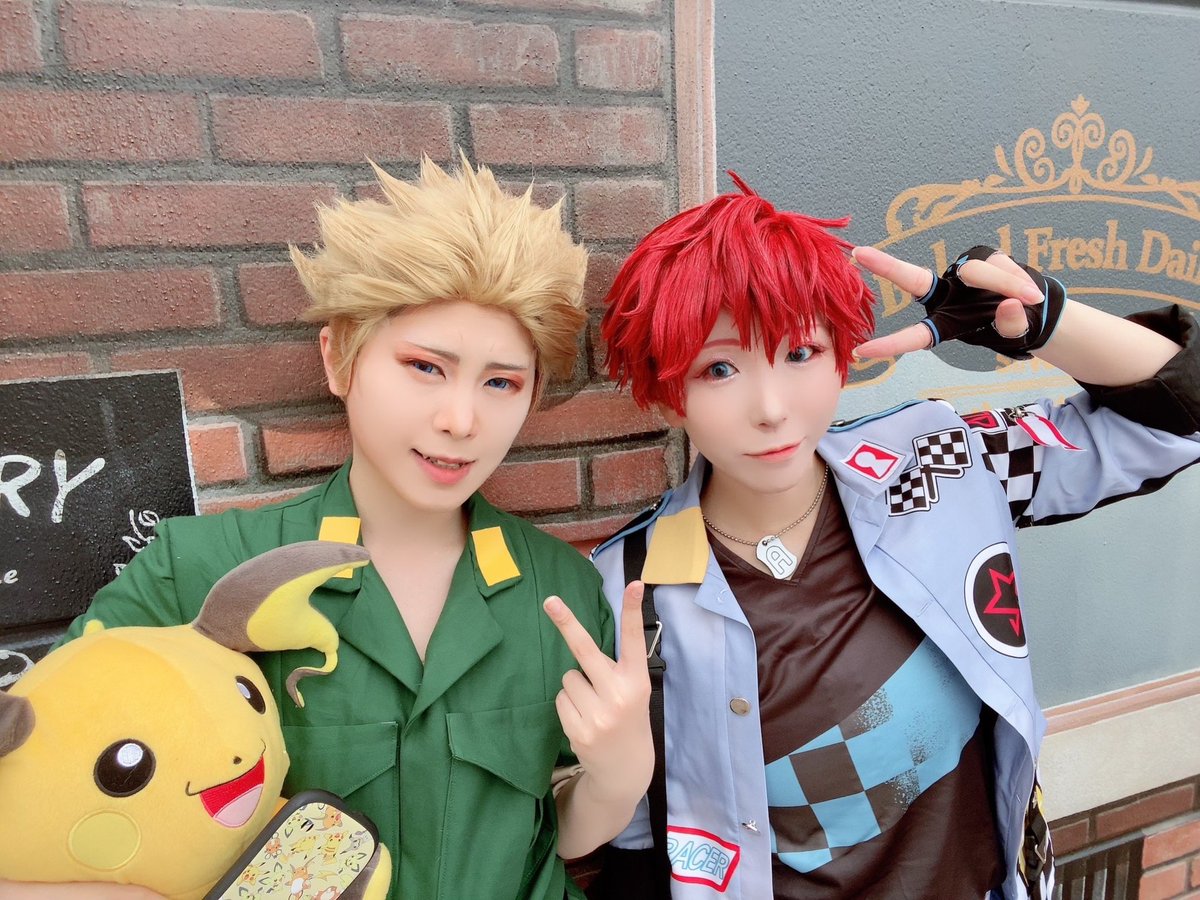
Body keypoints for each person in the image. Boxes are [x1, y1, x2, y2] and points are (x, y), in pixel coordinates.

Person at [0, 156, 653, 900]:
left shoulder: (559, 591)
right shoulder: (201, 570)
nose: (461, 419)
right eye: (425, 367)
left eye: (501, 381)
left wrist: (620, 779)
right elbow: (28, 792)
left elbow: (550, 831)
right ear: (340, 359)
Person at [589, 174, 1200, 899]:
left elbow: (1176, 423)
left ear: (841, 355)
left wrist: (1046, 323)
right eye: (720, 368)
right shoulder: (634, 586)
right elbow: (637, 851)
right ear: (667, 391)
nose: (772, 408)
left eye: (800, 353)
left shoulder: (935, 463)